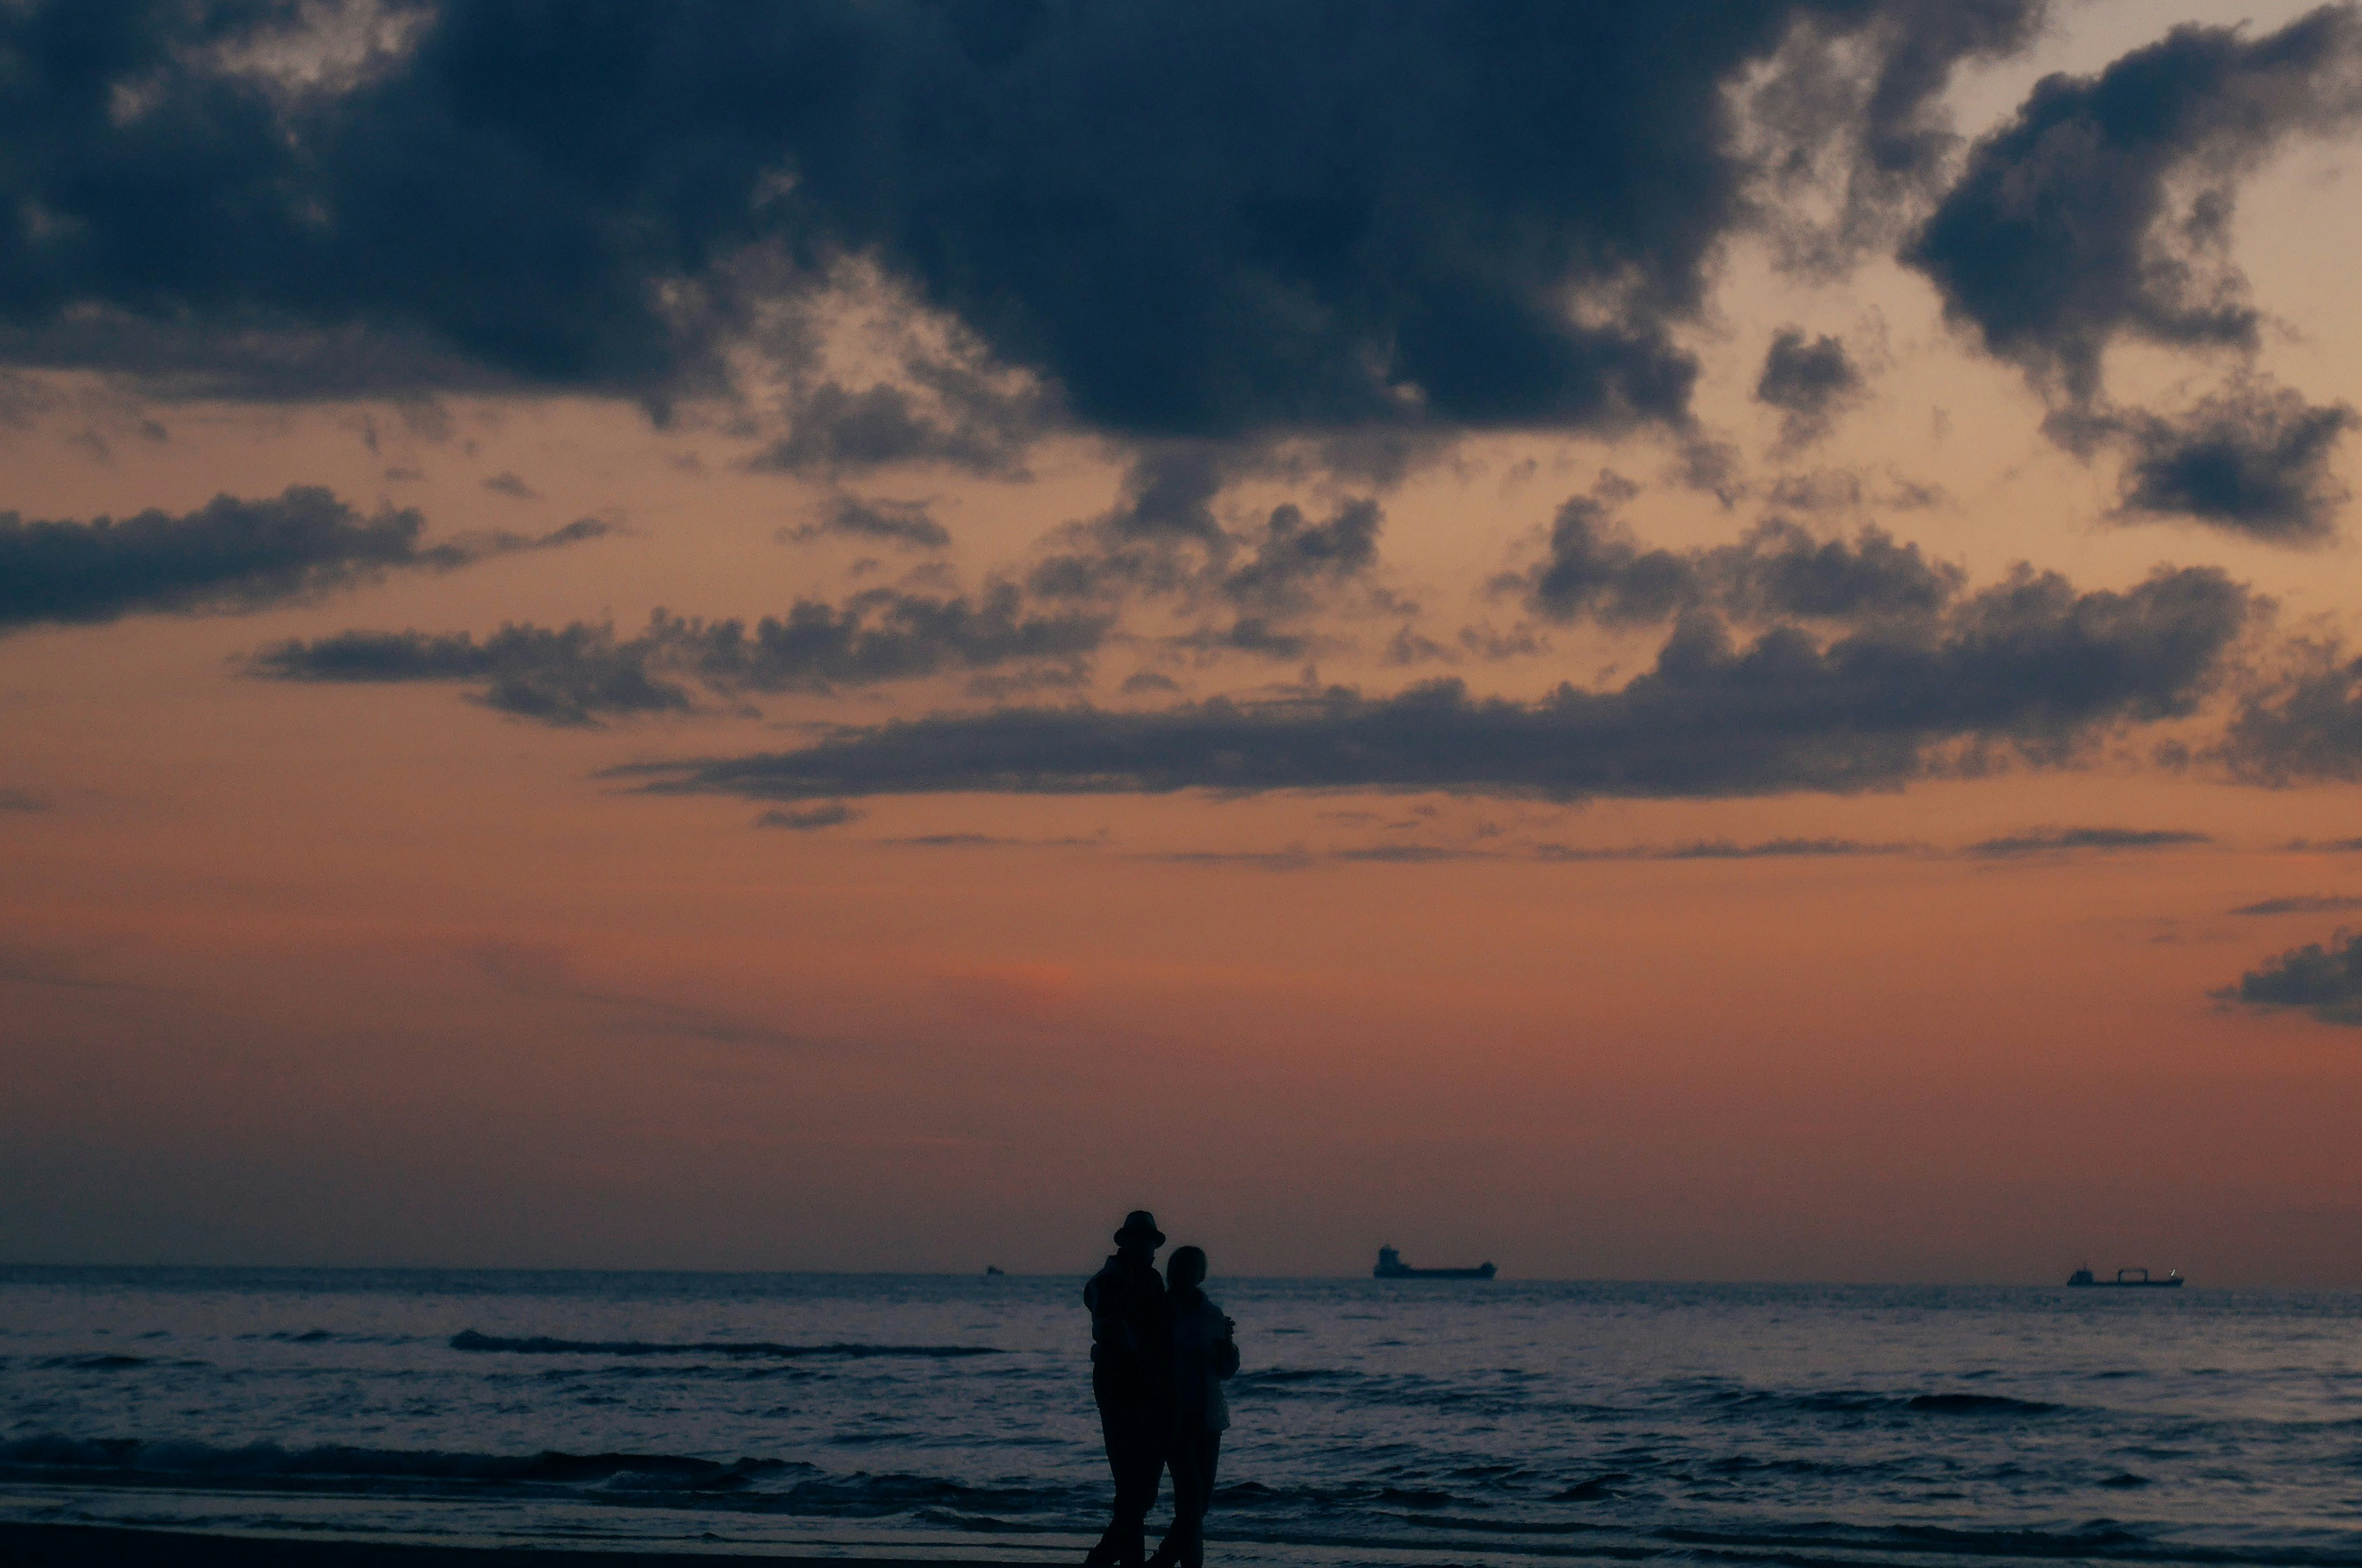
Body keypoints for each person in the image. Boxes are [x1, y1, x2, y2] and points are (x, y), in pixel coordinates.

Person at [1083, 1210, 1173, 1568]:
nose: (1147, 1249)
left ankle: (1109, 1559)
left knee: (1140, 1486)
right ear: (1125, 1243)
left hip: (1147, 1385)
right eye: (1140, 1241)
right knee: (1133, 1484)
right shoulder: (1109, 1280)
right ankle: (1114, 1561)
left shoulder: (1149, 1280)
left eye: (1149, 1242)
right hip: (1120, 1384)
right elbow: (1109, 1323)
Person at [1150, 1245, 1238, 1568]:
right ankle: (1166, 1563)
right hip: (1173, 1416)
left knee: (1198, 1505)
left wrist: (1229, 1354)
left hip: (1210, 1416)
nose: (1184, 1274)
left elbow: (1225, 1371)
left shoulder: (1213, 1314)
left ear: (1201, 1275)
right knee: (1190, 1500)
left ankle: (1167, 1563)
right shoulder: (1160, 1311)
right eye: (1179, 1268)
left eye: (1192, 1268)